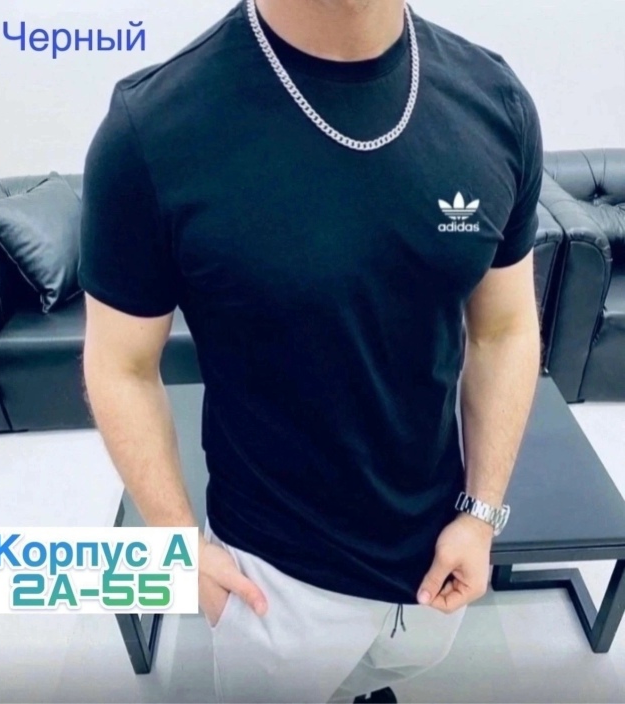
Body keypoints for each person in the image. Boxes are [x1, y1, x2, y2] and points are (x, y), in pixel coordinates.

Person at [79, 0, 543, 701]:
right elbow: (120, 365)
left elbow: (503, 328)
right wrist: (177, 547)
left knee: (385, 675)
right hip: (273, 579)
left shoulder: (494, 102)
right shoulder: (152, 129)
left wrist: (481, 515)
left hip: (437, 551)